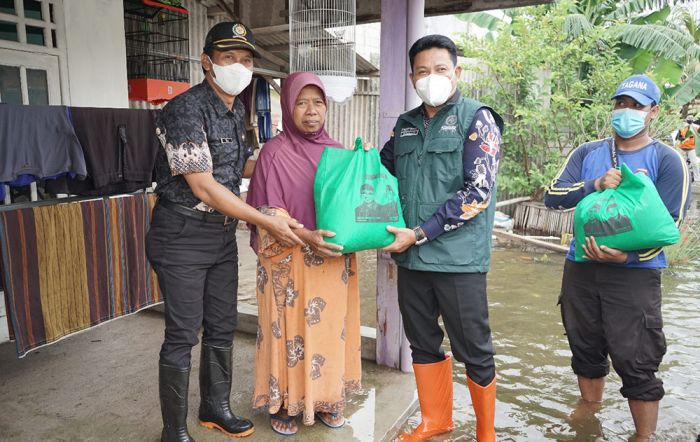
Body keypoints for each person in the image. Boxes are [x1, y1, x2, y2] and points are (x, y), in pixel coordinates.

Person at [146, 22, 303, 442]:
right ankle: (173, 431)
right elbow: (203, 184)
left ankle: (215, 407)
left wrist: (295, 162)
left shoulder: (236, 111)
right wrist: (263, 218)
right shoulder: (185, 110)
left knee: (221, 324)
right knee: (182, 333)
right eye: (228, 58)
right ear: (207, 63)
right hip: (181, 233)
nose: (239, 66)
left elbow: (242, 169)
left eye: (246, 60)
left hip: (220, 235)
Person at [544, 74, 691, 441]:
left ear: (653, 112)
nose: (626, 112)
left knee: (637, 356)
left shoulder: (667, 159)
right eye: (620, 104)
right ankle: (591, 410)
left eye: (636, 106)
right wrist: (594, 185)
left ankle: (643, 435)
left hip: (635, 275)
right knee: (584, 344)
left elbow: (671, 224)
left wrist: (627, 256)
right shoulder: (588, 153)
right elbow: (553, 196)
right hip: (581, 267)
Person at [379, 35, 503, 442]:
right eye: (422, 71)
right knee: (423, 341)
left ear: (457, 72)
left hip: (458, 260)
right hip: (412, 261)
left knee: (475, 350)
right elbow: (378, 174)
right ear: (412, 76)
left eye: (440, 69)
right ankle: (436, 420)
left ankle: (486, 434)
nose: (431, 77)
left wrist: (418, 233)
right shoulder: (406, 125)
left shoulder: (477, 118)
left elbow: (477, 195)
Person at [246, 72, 362, 436]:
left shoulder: (341, 152)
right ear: (288, 106)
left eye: (318, 102)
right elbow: (266, 213)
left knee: (330, 331)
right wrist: (306, 236)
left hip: (331, 260)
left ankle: (327, 398)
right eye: (301, 102)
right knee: (290, 334)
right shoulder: (274, 153)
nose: (311, 111)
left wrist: (366, 170)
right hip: (289, 259)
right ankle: (285, 402)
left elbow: (357, 206)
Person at [673, 113, 700, 179]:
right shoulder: (682, 126)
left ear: (693, 119)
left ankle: (697, 178)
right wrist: (681, 138)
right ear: (686, 119)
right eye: (689, 118)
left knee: (695, 163)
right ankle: (681, 177)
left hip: (692, 148)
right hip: (682, 148)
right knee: (681, 164)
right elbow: (677, 137)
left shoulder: (697, 127)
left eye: (691, 118)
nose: (690, 119)